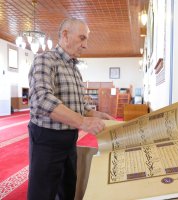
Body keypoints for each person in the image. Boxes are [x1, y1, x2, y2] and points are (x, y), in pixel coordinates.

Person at [28, 17, 114, 200]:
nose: (85, 45)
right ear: (65, 35)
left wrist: (98, 114)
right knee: (42, 193)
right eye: (82, 38)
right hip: (47, 140)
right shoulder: (45, 60)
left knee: (67, 190)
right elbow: (41, 99)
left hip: (69, 140)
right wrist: (83, 122)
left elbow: (79, 106)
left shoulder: (75, 69)